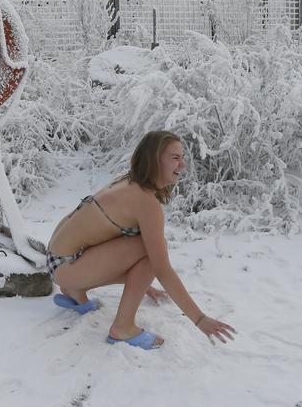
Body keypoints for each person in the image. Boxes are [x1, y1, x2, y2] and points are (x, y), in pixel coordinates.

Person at [46, 130, 236, 350]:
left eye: (182, 158)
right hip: (67, 268)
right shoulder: (145, 203)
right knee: (153, 251)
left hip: (58, 260)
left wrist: (144, 285)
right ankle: (123, 328)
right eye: (175, 158)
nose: (182, 165)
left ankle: (75, 293)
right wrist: (200, 319)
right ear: (154, 159)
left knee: (147, 249)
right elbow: (162, 269)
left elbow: (110, 237)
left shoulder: (129, 181)